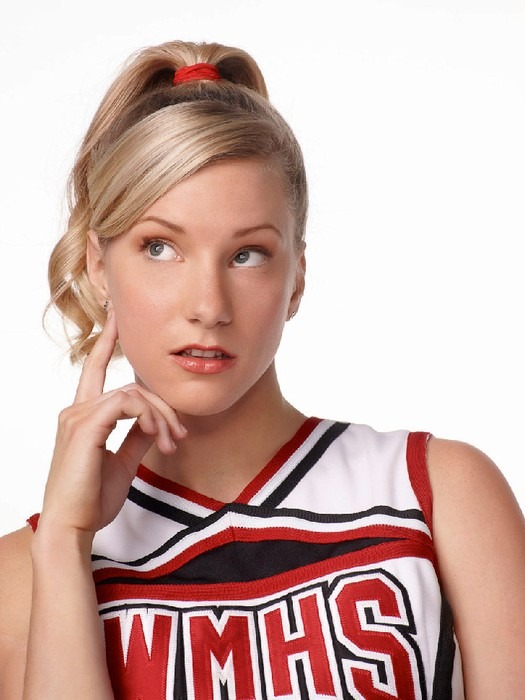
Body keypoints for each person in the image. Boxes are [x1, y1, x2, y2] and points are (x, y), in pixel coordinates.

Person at [0, 39, 524, 700]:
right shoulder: (25, 577)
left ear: (296, 276)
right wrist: (65, 541)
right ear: (99, 268)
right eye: (159, 247)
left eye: (247, 254)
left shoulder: (437, 496)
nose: (207, 306)